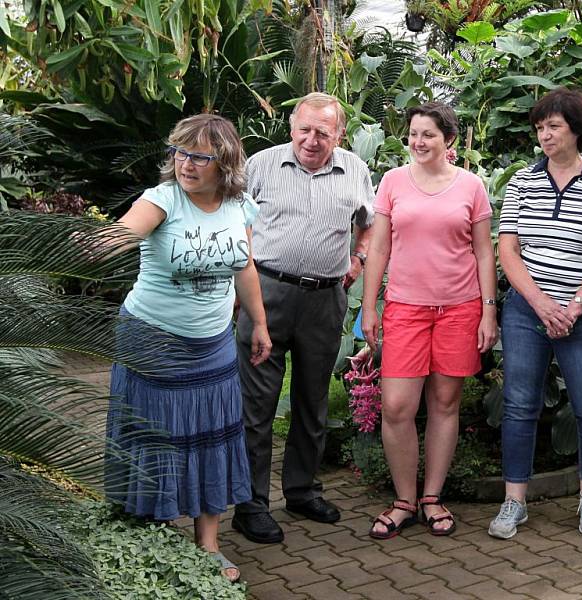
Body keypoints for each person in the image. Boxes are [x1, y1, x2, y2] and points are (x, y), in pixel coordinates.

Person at [106, 114, 271, 583]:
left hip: (213, 345)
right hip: (152, 340)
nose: (187, 164)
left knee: (212, 439)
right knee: (155, 440)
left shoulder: (240, 206)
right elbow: (122, 235)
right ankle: (152, 536)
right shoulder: (162, 200)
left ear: (226, 163)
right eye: (181, 152)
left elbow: (246, 266)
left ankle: (208, 545)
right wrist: (82, 246)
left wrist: (258, 322)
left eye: (200, 156)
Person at [232, 92, 374, 544]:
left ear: (339, 134)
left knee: (312, 400)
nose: (312, 141)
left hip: (324, 299)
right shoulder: (261, 165)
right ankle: (250, 504)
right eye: (304, 130)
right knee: (256, 407)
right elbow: (234, 221)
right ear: (292, 127)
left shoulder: (355, 168)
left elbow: (369, 220)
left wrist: (360, 257)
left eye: (323, 133)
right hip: (266, 295)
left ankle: (301, 491)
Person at [488, 87, 582, 540]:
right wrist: (542, 304)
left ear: (577, 129)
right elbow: (507, 250)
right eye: (540, 128)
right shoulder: (522, 183)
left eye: (553, 126)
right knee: (518, 405)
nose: (544, 135)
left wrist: (573, 306)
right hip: (528, 313)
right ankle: (514, 501)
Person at [361, 101, 498, 539]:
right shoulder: (393, 182)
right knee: (398, 406)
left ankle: (432, 497)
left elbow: (482, 252)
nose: (419, 142)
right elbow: (379, 248)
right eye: (414, 134)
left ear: (449, 140)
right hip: (405, 308)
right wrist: (369, 306)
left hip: (460, 308)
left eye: (429, 135)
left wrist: (488, 311)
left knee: (444, 404)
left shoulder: (471, 186)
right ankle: (403, 499)